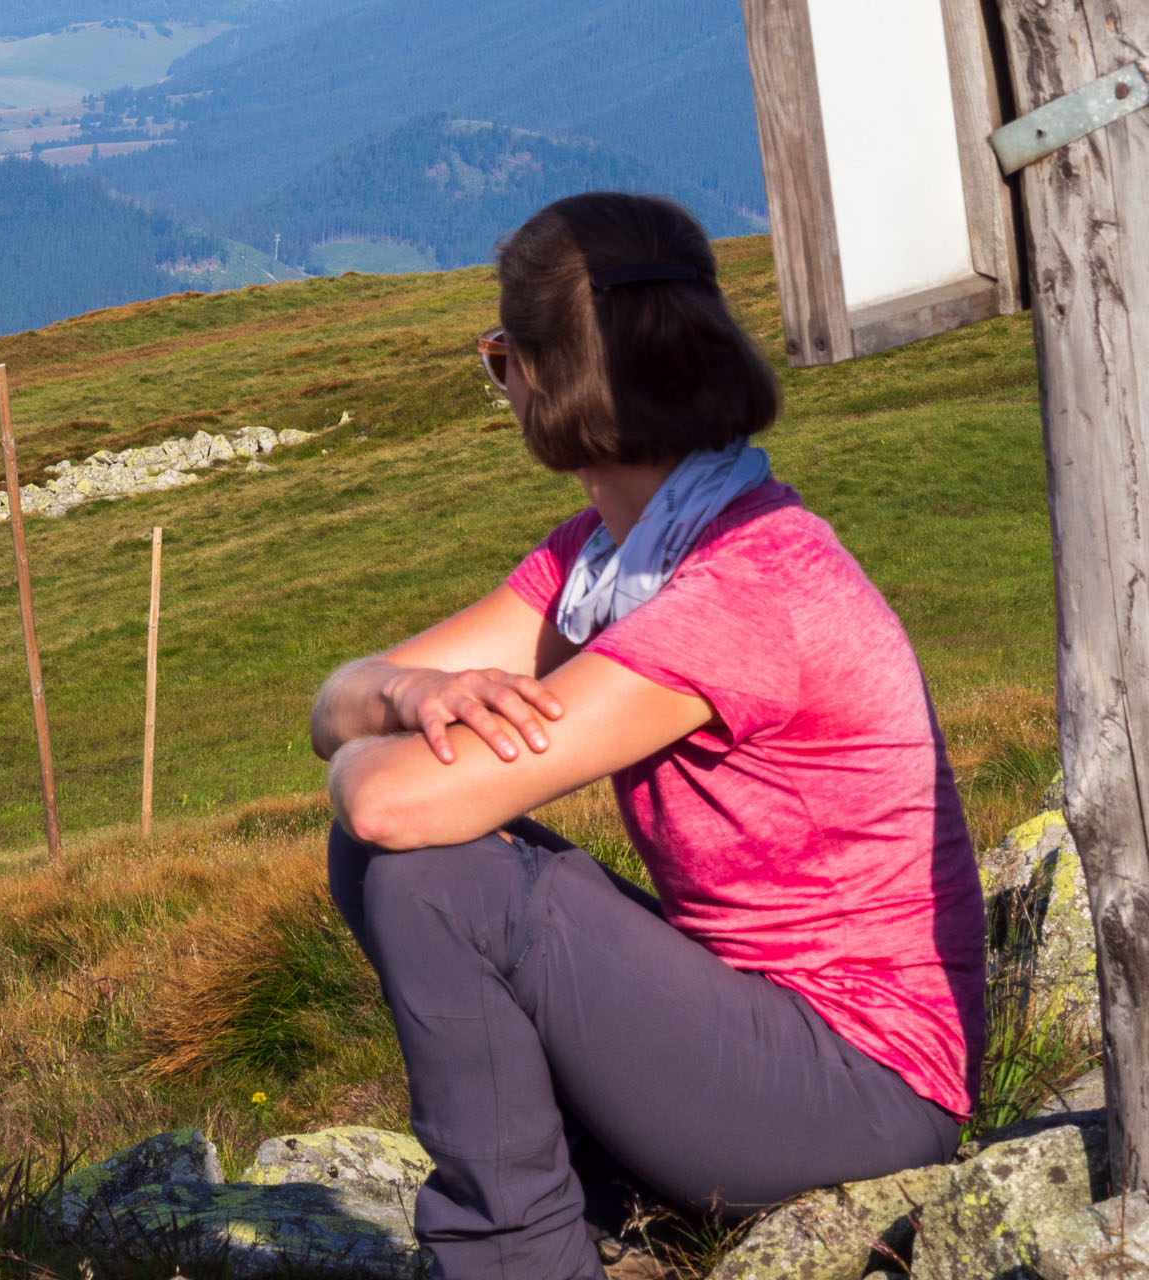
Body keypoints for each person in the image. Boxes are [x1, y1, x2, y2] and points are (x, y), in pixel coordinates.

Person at [309, 192, 987, 1280]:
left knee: (436, 875)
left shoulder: (746, 585)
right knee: (396, 853)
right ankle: (574, 1205)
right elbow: (335, 698)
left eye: (499, 359)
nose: (503, 385)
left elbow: (389, 798)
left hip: (865, 1088)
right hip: (762, 1045)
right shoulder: (613, 555)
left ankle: (519, 1257)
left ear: (545, 373)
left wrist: (372, 745)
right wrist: (401, 695)